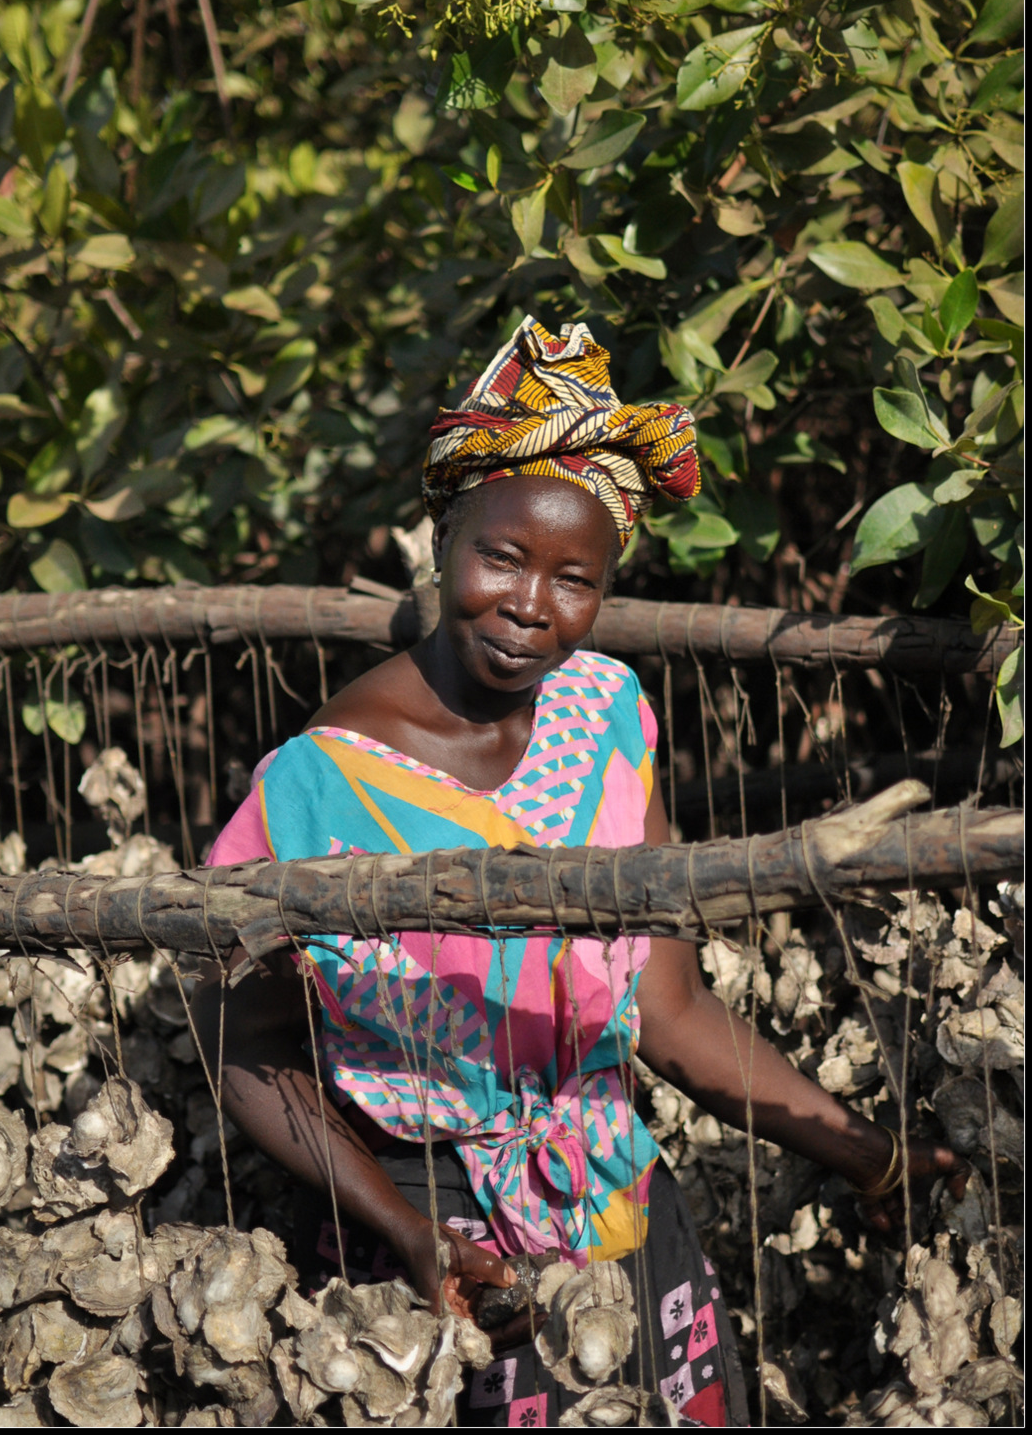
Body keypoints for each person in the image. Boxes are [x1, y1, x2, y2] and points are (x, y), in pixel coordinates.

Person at [194, 317, 967, 1428]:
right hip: (437, 1241)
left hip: (626, 1212)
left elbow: (674, 1014)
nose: (529, 605)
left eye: (573, 578)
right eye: (500, 557)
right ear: (442, 540)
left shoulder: (604, 712)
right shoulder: (309, 789)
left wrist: (871, 1156)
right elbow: (250, 1047)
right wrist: (403, 1227)